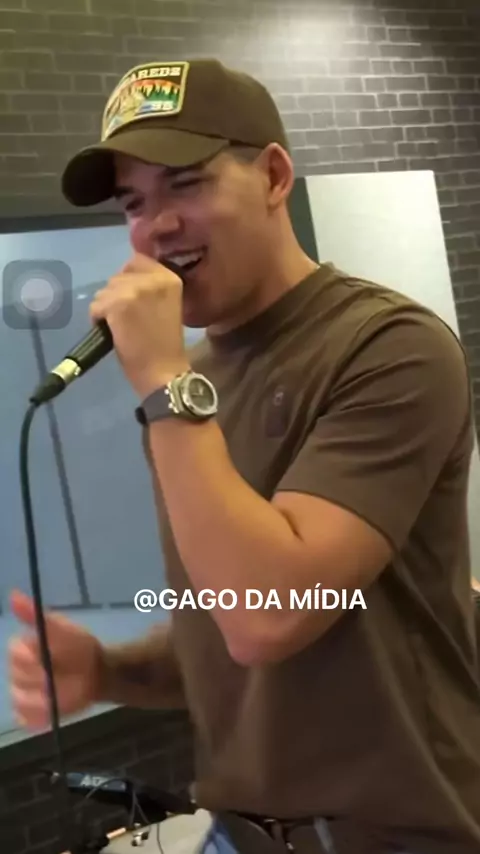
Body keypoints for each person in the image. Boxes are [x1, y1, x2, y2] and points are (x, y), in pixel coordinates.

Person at [8, 58, 480, 854]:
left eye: (186, 183)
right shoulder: (195, 383)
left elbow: (270, 617)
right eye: (134, 203)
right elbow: (225, 615)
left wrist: (165, 385)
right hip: (241, 831)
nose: (157, 226)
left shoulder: (389, 347)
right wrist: (109, 670)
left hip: (392, 834)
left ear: (273, 175)